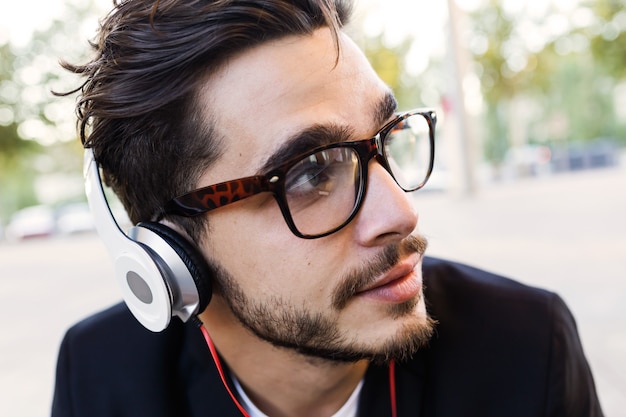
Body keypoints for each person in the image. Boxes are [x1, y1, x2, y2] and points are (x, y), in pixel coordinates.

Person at [51, 0, 603, 416]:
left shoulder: (527, 348)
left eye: (384, 137)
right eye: (311, 172)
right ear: (171, 253)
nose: (401, 215)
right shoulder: (101, 378)